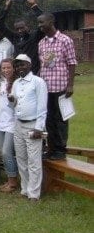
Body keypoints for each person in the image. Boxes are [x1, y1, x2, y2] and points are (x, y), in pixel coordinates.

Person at [37, 12, 77, 160]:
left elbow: (72, 63)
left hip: (61, 87)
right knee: (48, 119)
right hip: (45, 89)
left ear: (51, 21)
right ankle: (51, 148)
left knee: (60, 119)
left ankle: (60, 150)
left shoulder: (65, 40)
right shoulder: (42, 43)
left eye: (42, 22)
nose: (40, 26)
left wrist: (70, 85)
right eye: (38, 23)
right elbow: (43, 65)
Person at [11, 54, 48, 201]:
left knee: (33, 161)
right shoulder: (16, 83)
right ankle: (25, 189)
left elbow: (42, 107)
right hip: (19, 124)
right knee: (21, 158)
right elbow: (14, 104)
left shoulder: (38, 82)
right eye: (17, 65)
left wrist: (39, 128)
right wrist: (11, 99)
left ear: (29, 65)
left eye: (22, 65)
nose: (20, 67)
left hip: (33, 125)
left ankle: (34, 194)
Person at [0, 0, 44, 74]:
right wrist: (7, 7)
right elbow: (0, 24)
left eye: (22, 28)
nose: (19, 31)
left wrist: (34, 5)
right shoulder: (14, 37)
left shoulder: (35, 36)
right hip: (18, 73)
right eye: (17, 29)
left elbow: (44, 21)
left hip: (33, 72)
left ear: (27, 26)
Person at [0, 58, 19, 193]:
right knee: (3, 154)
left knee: (7, 152)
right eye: (3, 68)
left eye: (8, 67)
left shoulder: (17, 84)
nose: (6, 70)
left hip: (12, 123)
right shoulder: (3, 83)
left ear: (14, 68)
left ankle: (13, 182)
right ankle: (10, 179)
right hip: (0, 122)